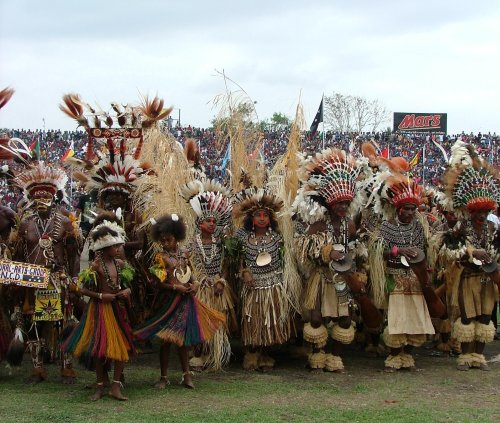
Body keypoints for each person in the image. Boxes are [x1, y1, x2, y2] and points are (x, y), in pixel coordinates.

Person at [293, 148, 375, 372]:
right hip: (321, 277)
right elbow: (303, 247)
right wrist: (326, 251)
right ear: (329, 204)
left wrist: (356, 266)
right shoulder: (318, 223)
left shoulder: (349, 224)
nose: (342, 208)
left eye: (346, 204)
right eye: (338, 204)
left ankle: (334, 356)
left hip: (342, 278)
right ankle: (317, 355)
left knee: (345, 320)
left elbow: (354, 247)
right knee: (317, 319)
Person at [134, 214, 225, 389]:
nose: (165, 243)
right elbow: (157, 283)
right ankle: (163, 377)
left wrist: (195, 284)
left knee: (184, 341)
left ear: (177, 237)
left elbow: (190, 273)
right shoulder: (159, 257)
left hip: (185, 301)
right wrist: (175, 288)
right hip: (167, 302)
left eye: (168, 239)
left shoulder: (184, 254)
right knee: (166, 341)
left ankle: (186, 375)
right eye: (162, 241)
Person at [11, 162, 80, 383]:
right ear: (31, 199)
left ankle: (66, 367)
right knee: (33, 322)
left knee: (63, 322)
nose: (42, 202)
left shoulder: (66, 223)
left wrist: (73, 277)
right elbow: (19, 255)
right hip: (32, 280)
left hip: (57, 278)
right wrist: (17, 280)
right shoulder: (25, 224)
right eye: (38, 198)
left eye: (46, 198)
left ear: (54, 198)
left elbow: (74, 254)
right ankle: (37, 368)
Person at [440, 141, 499, 370]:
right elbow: (449, 249)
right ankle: (465, 356)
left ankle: (478, 355)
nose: (482, 216)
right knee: (467, 317)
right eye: (478, 212)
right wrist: (469, 253)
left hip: (487, 279)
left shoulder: (492, 229)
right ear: (470, 210)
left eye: (485, 212)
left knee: (485, 317)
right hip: (466, 278)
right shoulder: (461, 227)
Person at [63, 221, 135, 400]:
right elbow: (83, 290)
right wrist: (102, 296)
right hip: (100, 310)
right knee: (99, 350)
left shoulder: (120, 264)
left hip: (118, 310)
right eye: (113, 247)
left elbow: (127, 285)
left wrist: (127, 291)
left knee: (121, 348)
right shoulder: (95, 266)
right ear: (103, 249)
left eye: (118, 246)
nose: (117, 249)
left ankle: (116, 386)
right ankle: (100, 385)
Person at [372, 174, 436, 372]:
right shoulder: (387, 226)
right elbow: (377, 251)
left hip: (415, 277)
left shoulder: (418, 226)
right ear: (398, 209)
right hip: (395, 277)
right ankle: (393, 356)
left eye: (412, 209)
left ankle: (407, 356)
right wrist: (398, 251)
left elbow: (423, 248)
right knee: (397, 317)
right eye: (406, 209)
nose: (409, 213)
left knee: (414, 317)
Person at [233, 187, 293, 371]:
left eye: (265, 215)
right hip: (252, 288)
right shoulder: (242, 238)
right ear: (251, 218)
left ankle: (266, 354)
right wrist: (244, 273)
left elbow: (284, 263)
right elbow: (237, 264)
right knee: (253, 321)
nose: (261, 218)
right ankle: (252, 354)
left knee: (269, 322)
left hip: (272, 286)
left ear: (270, 219)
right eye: (257, 215)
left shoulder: (277, 238)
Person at [180, 178, 236, 371]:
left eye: (214, 221)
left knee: (217, 320)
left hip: (218, 289)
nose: (212, 224)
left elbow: (226, 264)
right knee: (198, 321)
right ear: (199, 222)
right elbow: (185, 264)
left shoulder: (221, 242)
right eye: (207, 221)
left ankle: (215, 353)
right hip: (199, 289)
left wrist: (221, 281)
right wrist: (196, 281)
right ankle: (198, 355)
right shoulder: (191, 244)